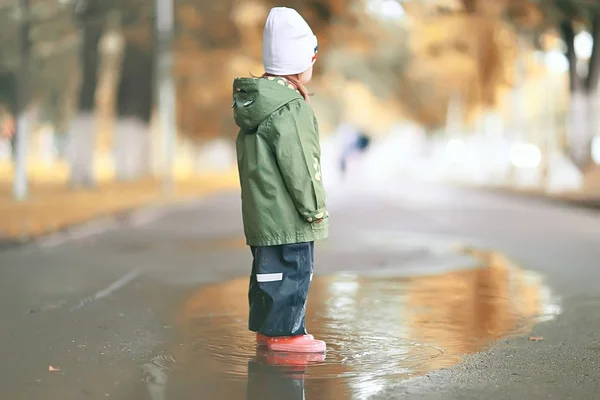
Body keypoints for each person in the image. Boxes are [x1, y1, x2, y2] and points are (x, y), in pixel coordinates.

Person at [232, 7, 328, 353]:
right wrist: (314, 208)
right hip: (289, 218)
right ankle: (288, 335)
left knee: (268, 275)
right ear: (301, 61)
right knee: (294, 271)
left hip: (262, 215)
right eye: (312, 58)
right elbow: (299, 163)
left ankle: (269, 330)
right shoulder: (291, 108)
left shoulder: (254, 107)